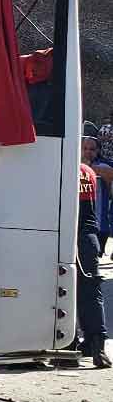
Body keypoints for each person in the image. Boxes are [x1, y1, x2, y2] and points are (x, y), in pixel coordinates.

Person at [77, 135, 113, 369]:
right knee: (93, 292)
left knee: (67, 290)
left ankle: (67, 346)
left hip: (71, 235)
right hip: (90, 238)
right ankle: (98, 348)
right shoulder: (88, 173)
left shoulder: (70, 170)